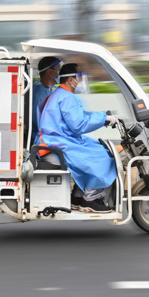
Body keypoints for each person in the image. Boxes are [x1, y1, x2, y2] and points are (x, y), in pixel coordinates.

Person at [38, 63, 119, 213]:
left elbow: (80, 114)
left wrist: (103, 116)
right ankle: (90, 198)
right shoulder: (67, 97)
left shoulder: (59, 94)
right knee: (102, 157)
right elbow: (79, 125)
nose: (81, 81)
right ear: (70, 80)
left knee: (95, 147)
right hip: (56, 144)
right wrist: (103, 120)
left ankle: (77, 197)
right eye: (79, 77)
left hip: (56, 140)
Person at [31, 56, 62, 145]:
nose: (60, 74)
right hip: (47, 141)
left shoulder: (46, 90)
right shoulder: (41, 94)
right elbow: (44, 125)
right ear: (50, 72)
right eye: (58, 71)